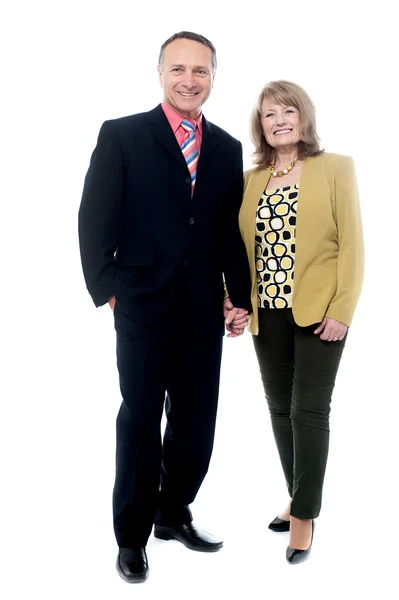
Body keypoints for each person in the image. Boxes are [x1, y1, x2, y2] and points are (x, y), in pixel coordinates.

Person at [78, 31, 251, 583]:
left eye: (200, 71)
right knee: (140, 420)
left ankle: (171, 513)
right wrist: (108, 288)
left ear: (212, 79)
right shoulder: (124, 136)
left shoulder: (225, 148)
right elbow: (93, 219)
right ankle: (130, 539)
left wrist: (238, 297)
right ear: (160, 73)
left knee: (197, 424)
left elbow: (227, 231)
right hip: (142, 306)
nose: (189, 80)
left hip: (203, 308)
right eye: (178, 69)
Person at [234, 80, 364, 564]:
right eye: (270, 114)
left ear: (304, 118)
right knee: (278, 408)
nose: (280, 120)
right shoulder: (250, 181)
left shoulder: (335, 169)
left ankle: (304, 513)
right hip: (266, 312)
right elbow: (239, 251)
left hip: (319, 311)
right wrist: (233, 298)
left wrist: (342, 310)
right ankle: (297, 493)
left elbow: (352, 244)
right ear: (260, 124)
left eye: (289, 110)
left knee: (309, 409)